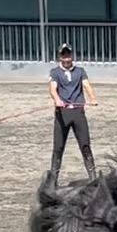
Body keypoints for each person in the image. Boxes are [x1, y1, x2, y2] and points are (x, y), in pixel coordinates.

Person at [47, 43, 98, 185]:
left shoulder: (80, 71)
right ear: (60, 57)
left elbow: (87, 85)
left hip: (78, 112)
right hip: (62, 113)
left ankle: (93, 177)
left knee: (85, 145)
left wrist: (93, 98)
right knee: (58, 147)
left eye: (68, 54)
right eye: (64, 55)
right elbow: (52, 88)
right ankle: (53, 181)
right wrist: (57, 100)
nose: (67, 58)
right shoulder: (55, 72)